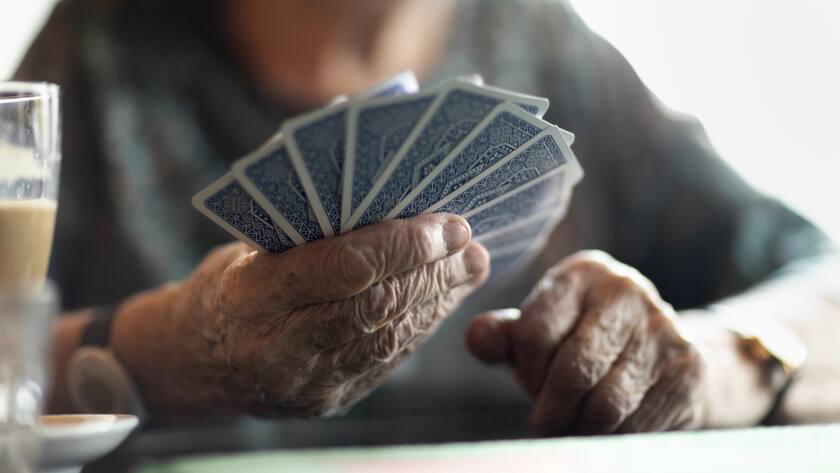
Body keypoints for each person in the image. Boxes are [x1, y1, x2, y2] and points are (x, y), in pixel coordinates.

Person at [14, 0, 840, 439]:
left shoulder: (546, 46)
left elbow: (824, 284)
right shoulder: (100, 54)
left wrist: (714, 363)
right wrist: (174, 350)